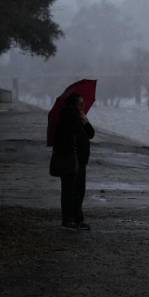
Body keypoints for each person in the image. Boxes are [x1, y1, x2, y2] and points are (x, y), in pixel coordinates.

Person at [51, 94, 95, 231]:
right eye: (80, 104)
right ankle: (70, 219)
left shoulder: (76, 117)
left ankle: (76, 218)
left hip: (78, 160)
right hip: (71, 160)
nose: (83, 106)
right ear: (74, 104)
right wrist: (82, 120)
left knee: (77, 191)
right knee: (71, 191)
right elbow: (77, 135)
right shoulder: (69, 117)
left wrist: (85, 120)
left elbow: (90, 133)